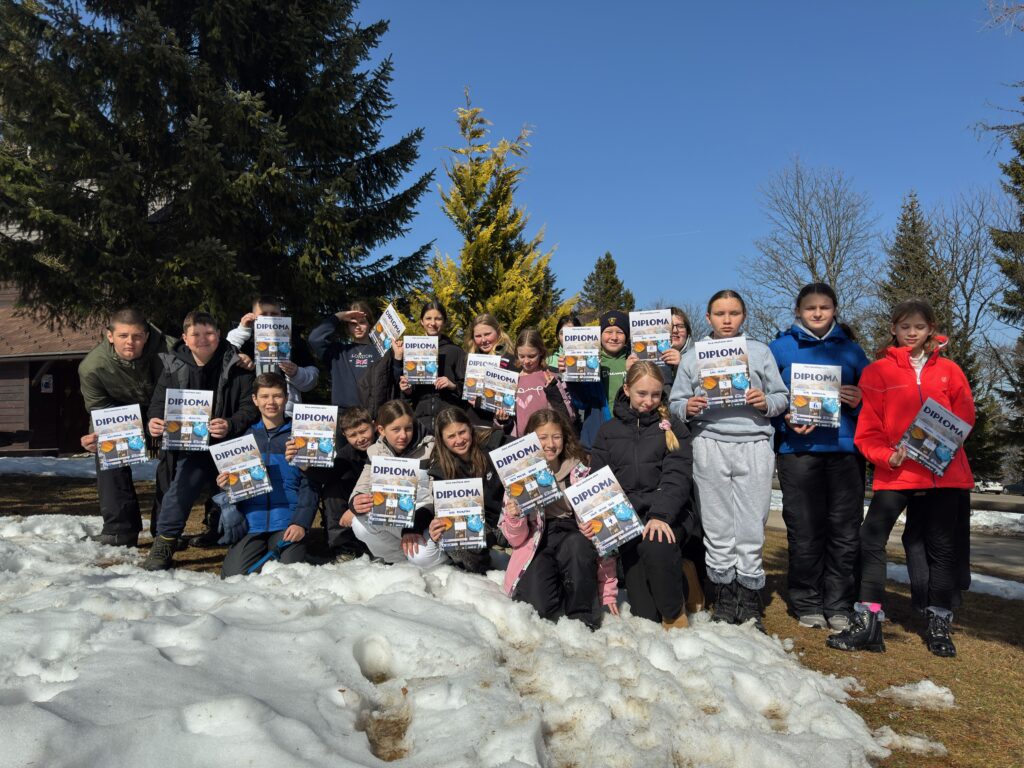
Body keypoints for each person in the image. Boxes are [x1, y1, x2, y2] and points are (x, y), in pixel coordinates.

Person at [828, 299, 975, 658]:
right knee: (870, 537)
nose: (912, 333)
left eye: (919, 327)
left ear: (930, 330)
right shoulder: (877, 372)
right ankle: (868, 621)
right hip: (898, 471)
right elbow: (868, 430)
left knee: (941, 547)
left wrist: (947, 443)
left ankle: (939, 621)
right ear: (893, 328)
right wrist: (886, 455)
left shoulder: (950, 371)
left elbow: (965, 417)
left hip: (943, 474)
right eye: (905, 326)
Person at [669, 290, 788, 631]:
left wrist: (765, 402)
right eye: (719, 313)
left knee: (751, 524)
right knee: (718, 525)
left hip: (753, 443)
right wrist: (688, 406)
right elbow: (675, 402)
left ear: (743, 316)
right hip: (710, 443)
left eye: (733, 313)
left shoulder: (760, 352)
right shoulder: (694, 355)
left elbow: (782, 397)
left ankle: (749, 599)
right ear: (708, 318)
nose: (726, 319)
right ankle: (723, 596)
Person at [769, 283, 869, 631]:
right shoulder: (779, 349)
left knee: (844, 531)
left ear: (835, 310)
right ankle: (807, 601)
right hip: (798, 452)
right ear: (797, 311)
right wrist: (785, 420)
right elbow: (767, 400)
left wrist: (860, 400)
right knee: (804, 529)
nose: (817, 313)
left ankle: (839, 603)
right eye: (810, 308)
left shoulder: (852, 351)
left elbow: (876, 401)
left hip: (844, 452)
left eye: (824, 307)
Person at [142, 311, 259, 571]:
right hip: (191, 446)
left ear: (219, 334)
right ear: (185, 338)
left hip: (230, 443)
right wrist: (154, 421)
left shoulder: (238, 365)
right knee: (179, 490)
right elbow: (158, 403)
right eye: (195, 334)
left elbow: (250, 407)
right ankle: (165, 542)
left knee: (242, 493)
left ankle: (244, 537)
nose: (203, 339)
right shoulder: (172, 366)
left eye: (209, 333)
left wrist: (230, 423)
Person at [590, 362, 697, 627]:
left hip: (668, 515)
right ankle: (682, 573)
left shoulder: (673, 428)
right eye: (641, 393)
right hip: (630, 521)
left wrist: (660, 515)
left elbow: (677, 477)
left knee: (656, 543)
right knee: (645, 614)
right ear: (626, 389)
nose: (649, 401)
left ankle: (675, 613)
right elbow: (600, 482)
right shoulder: (607, 432)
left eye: (655, 394)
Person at [499, 409, 616, 628]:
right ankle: (562, 583)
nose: (550, 444)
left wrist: (608, 589)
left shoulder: (581, 471)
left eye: (556, 437)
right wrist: (515, 516)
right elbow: (516, 540)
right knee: (536, 606)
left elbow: (605, 536)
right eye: (542, 437)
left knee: (577, 545)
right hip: (537, 539)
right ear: (530, 440)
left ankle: (582, 616)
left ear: (565, 437)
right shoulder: (518, 474)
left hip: (572, 535)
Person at [78, 308, 175, 546]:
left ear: (147, 336)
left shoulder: (173, 350)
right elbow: (99, 410)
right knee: (106, 448)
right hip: (123, 417)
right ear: (110, 336)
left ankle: (168, 529)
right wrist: (95, 436)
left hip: (166, 413)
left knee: (176, 454)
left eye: (137, 336)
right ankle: (120, 529)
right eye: (123, 336)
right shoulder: (92, 367)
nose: (130, 342)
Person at [219, 373, 317, 577]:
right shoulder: (244, 438)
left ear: (286, 398)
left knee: (287, 575)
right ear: (255, 399)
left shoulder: (301, 435)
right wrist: (227, 485)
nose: (271, 402)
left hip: (288, 522)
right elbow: (237, 490)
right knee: (233, 577)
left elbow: (311, 485)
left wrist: (300, 523)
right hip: (252, 524)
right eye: (264, 396)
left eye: (277, 396)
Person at [347, 400, 441, 567]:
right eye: (396, 430)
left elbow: (437, 499)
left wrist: (415, 526)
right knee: (358, 523)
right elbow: (362, 485)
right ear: (381, 430)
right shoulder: (375, 451)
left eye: (408, 428)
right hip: (395, 518)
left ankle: (434, 560)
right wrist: (356, 501)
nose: (403, 435)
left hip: (424, 520)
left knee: (422, 558)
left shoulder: (431, 449)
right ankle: (399, 561)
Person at [416, 407, 509, 572]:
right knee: (449, 533)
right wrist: (437, 526)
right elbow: (444, 510)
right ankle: (483, 569)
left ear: (470, 429)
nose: (459, 440)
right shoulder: (440, 468)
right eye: (451, 436)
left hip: (509, 520)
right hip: (480, 527)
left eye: (462, 432)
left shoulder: (494, 443)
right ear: (442, 439)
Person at [287, 406, 375, 559]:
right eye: (353, 435)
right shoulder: (347, 452)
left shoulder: (386, 445)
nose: (360, 438)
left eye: (363, 431)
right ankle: (344, 548)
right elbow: (327, 476)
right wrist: (303, 464)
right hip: (358, 498)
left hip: (378, 497)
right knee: (332, 488)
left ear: (374, 425)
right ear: (344, 435)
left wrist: (354, 509)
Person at [227, 295, 319, 415]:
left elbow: (312, 381)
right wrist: (243, 330)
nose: (269, 318)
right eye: (264, 314)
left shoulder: (295, 341)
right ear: (253, 316)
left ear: (281, 316)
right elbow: (225, 357)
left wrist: (296, 373)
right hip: (248, 411)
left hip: (285, 412)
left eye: (274, 314)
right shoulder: (243, 337)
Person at [396, 300, 468, 433]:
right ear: (421, 321)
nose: (433, 323)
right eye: (428, 318)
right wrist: (407, 390)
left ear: (444, 322)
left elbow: (469, 390)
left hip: (449, 422)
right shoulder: (411, 349)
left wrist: (452, 385)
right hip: (421, 422)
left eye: (438, 319)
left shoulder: (456, 351)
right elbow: (407, 393)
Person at [563, 311, 631, 449]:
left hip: (628, 434)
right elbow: (581, 403)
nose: (614, 337)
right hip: (598, 437)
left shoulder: (634, 360)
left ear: (627, 336)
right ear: (600, 335)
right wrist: (571, 375)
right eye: (608, 332)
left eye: (619, 332)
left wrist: (634, 372)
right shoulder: (591, 362)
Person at [308, 301, 379, 409]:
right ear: (347, 327)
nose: (358, 327)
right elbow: (314, 339)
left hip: (372, 413)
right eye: (353, 324)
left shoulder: (380, 351)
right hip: (343, 413)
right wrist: (338, 316)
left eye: (362, 322)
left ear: (370, 324)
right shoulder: (338, 352)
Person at [506, 327, 575, 437]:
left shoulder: (550, 376)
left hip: (547, 439)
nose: (526, 361)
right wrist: (502, 420)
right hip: (521, 442)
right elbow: (508, 418)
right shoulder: (512, 379)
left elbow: (568, 414)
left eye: (531, 356)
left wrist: (554, 389)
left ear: (541, 352)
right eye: (522, 356)